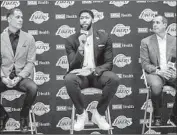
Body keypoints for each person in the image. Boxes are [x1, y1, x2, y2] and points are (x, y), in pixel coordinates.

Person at [64, 9, 119, 131]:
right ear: (79, 20)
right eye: (82, 18)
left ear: (93, 20)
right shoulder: (71, 40)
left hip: (97, 75)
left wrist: (94, 70)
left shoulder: (104, 37)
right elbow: (72, 66)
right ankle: (81, 114)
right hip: (80, 77)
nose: (84, 20)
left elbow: (109, 63)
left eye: (87, 17)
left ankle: (98, 114)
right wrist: (81, 47)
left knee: (114, 78)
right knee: (69, 79)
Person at [0, 8, 38, 132]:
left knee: (33, 88)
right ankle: (2, 115)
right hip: (4, 77)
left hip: (21, 78)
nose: (21, 19)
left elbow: (31, 62)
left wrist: (20, 77)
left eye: (22, 17)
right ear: (9, 19)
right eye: (17, 17)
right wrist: (3, 78)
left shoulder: (29, 38)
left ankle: (24, 115)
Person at [140, 15, 176, 126]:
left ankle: (174, 116)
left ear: (165, 25)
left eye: (157, 22)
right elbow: (145, 64)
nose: (154, 24)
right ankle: (157, 116)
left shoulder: (174, 40)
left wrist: (175, 70)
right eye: (153, 22)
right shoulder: (146, 41)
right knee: (156, 86)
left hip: (172, 73)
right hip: (155, 73)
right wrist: (159, 71)